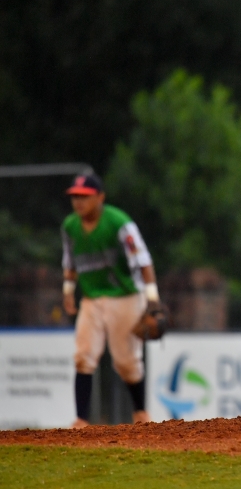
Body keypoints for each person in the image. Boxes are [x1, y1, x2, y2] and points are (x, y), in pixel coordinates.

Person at [61, 174, 162, 428]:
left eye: (84, 196)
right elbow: (70, 263)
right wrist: (68, 290)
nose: (79, 202)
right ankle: (81, 420)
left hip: (125, 296)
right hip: (92, 298)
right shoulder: (70, 226)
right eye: (75, 196)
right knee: (84, 354)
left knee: (126, 362)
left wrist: (152, 298)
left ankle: (140, 414)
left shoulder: (119, 223)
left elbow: (144, 261)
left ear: (100, 197)